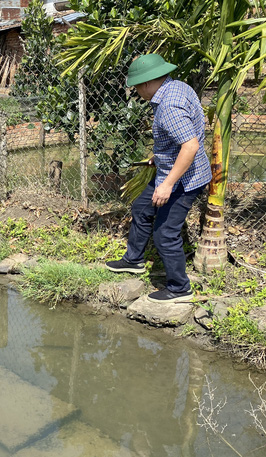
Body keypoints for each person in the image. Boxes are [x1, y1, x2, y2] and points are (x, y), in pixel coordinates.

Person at [105, 54, 211, 304]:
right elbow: (186, 133)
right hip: (172, 167)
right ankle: (134, 261)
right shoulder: (177, 87)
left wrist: (167, 184)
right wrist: (160, 154)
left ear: (146, 83)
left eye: (136, 86)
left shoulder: (169, 106)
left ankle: (179, 287)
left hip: (184, 178)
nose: (137, 91)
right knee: (142, 207)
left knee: (165, 232)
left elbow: (190, 146)